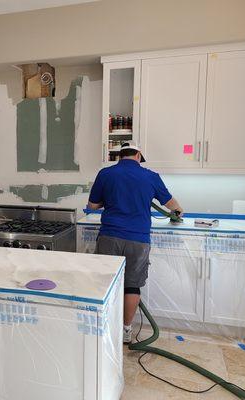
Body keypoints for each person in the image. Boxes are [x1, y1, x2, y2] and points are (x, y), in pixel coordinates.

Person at [88, 143, 182, 343]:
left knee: (105, 283)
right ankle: (125, 330)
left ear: (120, 156)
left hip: (109, 236)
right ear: (138, 155)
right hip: (138, 239)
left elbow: (92, 206)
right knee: (132, 286)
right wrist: (178, 212)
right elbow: (173, 205)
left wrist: (109, 200)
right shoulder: (151, 176)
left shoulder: (105, 173)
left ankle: (104, 326)